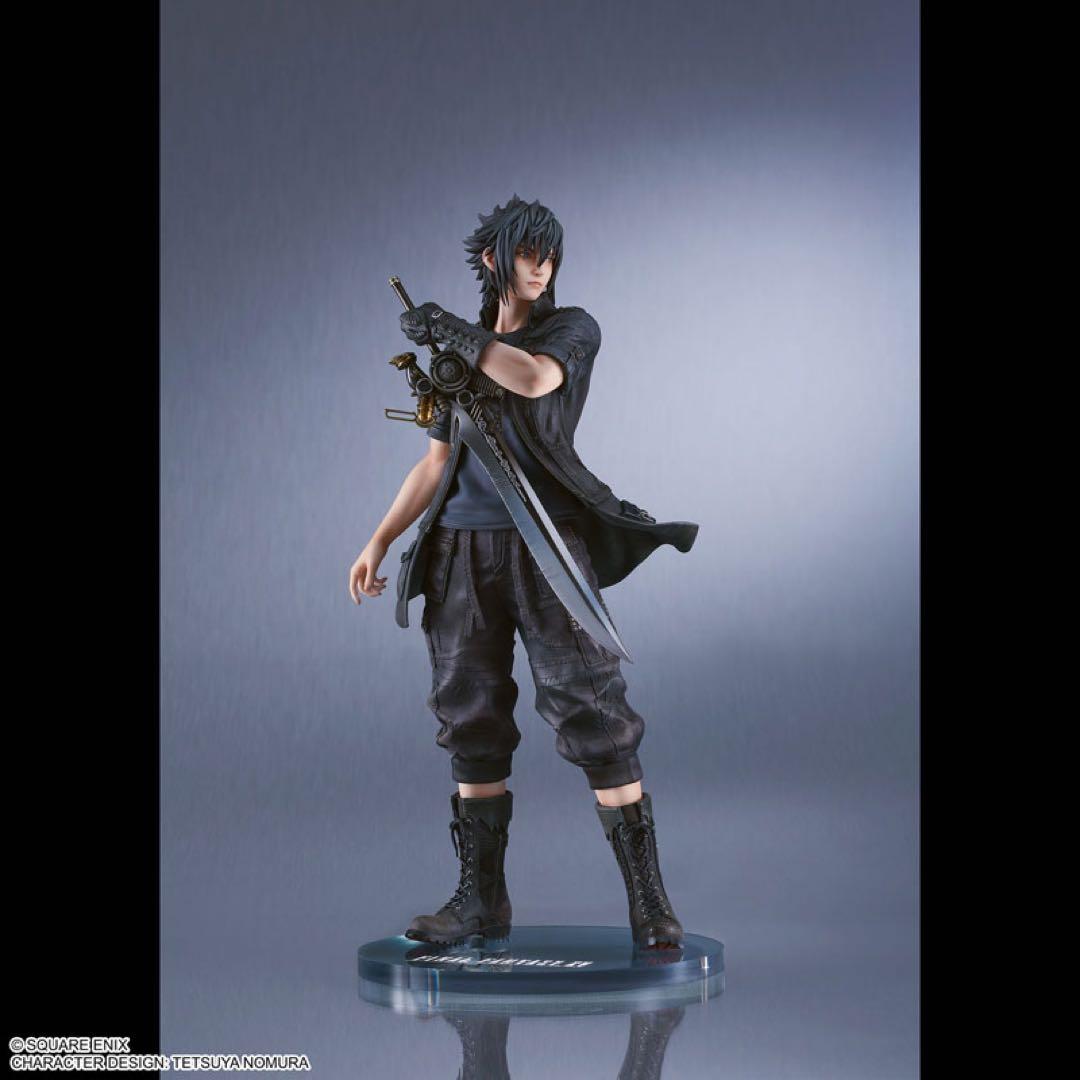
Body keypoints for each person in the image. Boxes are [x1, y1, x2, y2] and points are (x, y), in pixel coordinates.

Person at [349, 196, 698, 949]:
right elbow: (435, 462)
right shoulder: (455, 356)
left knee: (593, 710)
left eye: (550, 256)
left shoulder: (570, 330)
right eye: (527, 254)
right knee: (469, 715)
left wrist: (453, 330)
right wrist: (379, 539)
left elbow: (534, 380)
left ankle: (650, 902)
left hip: (546, 547)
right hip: (459, 553)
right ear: (493, 258)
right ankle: (480, 902)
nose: (541, 268)